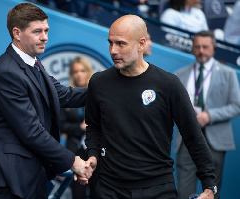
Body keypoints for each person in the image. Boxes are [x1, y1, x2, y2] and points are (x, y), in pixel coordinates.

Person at [82, 14, 217, 199]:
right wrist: (93, 155)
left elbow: (192, 135)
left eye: (121, 44)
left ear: (141, 44)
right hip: (109, 189)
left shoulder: (168, 84)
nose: (113, 50)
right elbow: (94, 127)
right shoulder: (99, 82)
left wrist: (209, 186)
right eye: (110, 43)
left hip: (158, 189)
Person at [0, 3, 93, 199]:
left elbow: (64, 94)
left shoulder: (33, 63)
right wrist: (74, 162)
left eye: (46, 30)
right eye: (37, 31)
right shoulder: (6, 73)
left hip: (28, 176)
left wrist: (106, 87)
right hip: (8, 181)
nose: (45, 37)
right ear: (17, 33)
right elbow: (31, 131)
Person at [174, 30, 240, 199]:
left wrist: (209, 115)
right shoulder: (180, 74)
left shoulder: (228, 73)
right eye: (197, 47)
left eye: (205, 47)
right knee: (184, 191)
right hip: (186, 141)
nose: (201, 51)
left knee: (212, 193)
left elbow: (236, 105)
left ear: (214, 48)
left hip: (215, 142)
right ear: (192, 48)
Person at [60, 56, 93, 199]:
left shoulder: (97, 93)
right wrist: (80, 127)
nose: (79, 74)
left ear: (88, 71)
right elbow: (61, 125)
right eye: (75, 71)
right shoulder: (67, 95)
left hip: (95, 151)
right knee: (77, 194)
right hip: (75, 151)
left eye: (82, 70)